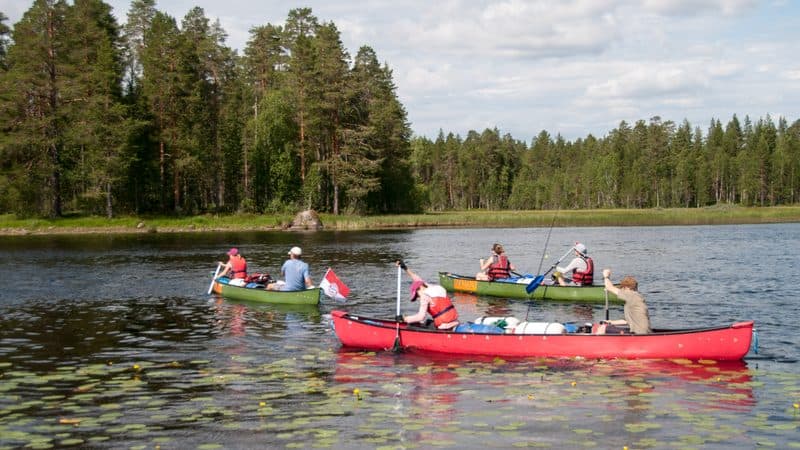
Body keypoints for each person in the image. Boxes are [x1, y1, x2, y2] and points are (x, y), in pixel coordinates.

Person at [396, 261, 459, 330]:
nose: (418, 298)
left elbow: (420, 317)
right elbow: (418, 280)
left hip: (443, 326)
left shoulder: (425, 296)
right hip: (454, 321)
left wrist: (404, 319)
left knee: (411, 326)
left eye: (417, 295)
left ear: (418, 289)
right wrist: (405, 268)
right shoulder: (434, 287)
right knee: (427, 322)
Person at [600, 268, 651, 334]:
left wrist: (606, 276)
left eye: (622, 288)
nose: (622, 290)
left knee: (602, 328)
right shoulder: (636, 298)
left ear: (626, 288)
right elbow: (626, 321)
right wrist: (611, 322)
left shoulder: (631, 294)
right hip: (641, 333)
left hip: (638, 333)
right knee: (606, 326)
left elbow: (610, 287)